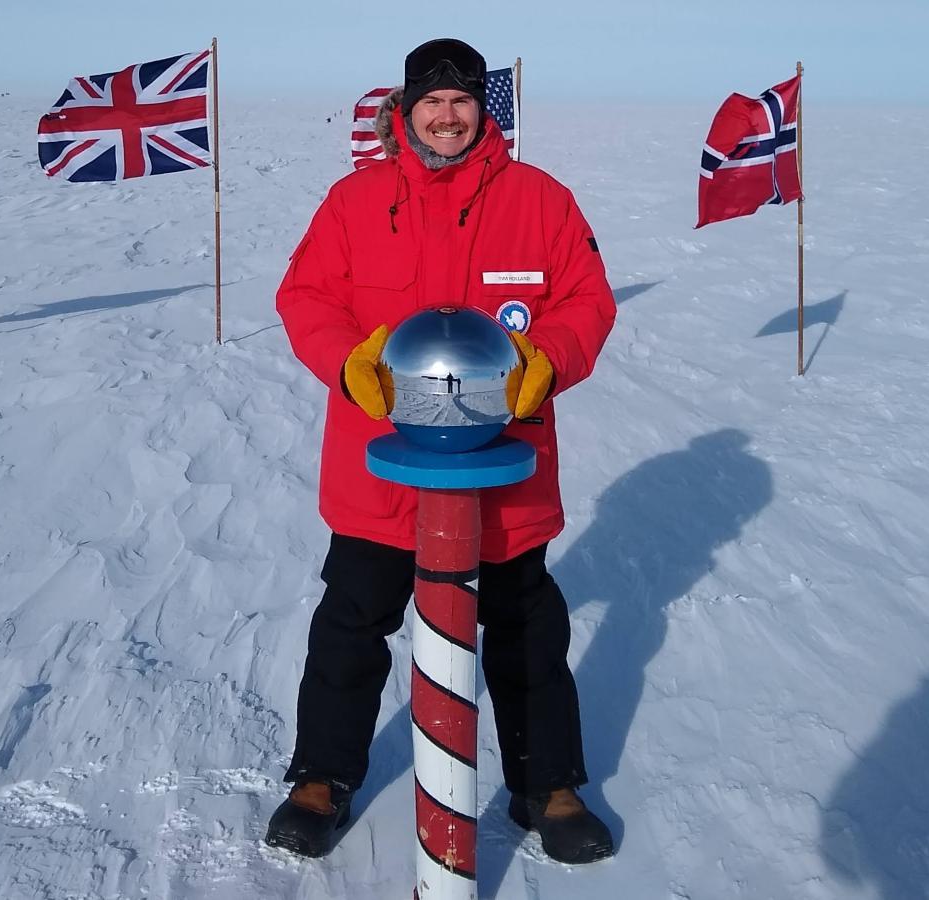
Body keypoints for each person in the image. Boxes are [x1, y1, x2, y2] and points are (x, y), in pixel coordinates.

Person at [269, 37, 617, 865]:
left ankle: (549, 785)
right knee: (353, 621)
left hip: (503, 471)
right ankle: (322, 777)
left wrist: (548, 361)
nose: (447, 114)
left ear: (481, 110)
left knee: (527, 625)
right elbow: (304, 295)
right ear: (406, 110)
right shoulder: (356, 203)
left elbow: (587, 301)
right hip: (383, 466)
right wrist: (351, 366)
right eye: (432, 101)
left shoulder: (541, 200)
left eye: (462, 100)